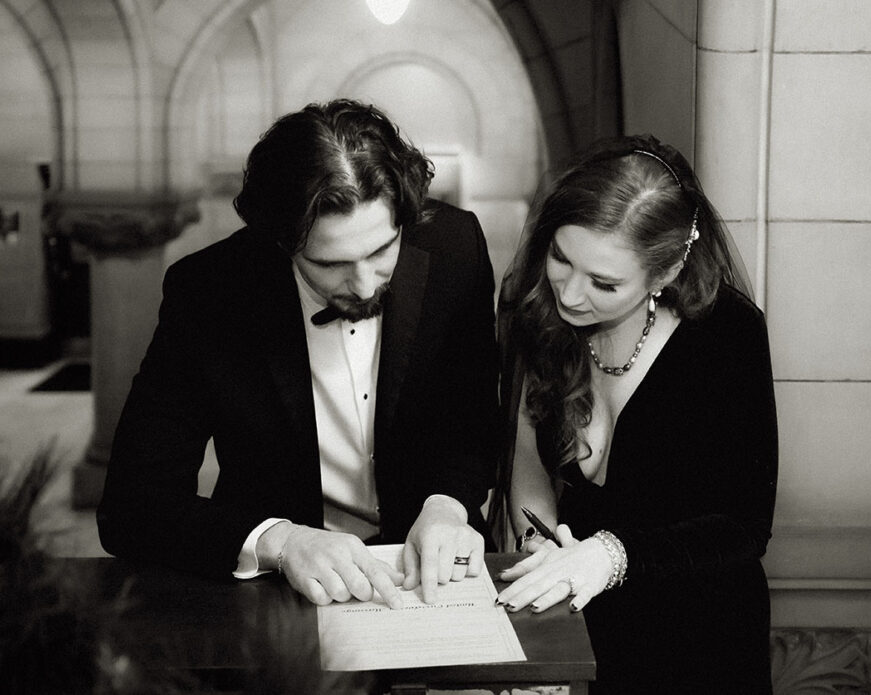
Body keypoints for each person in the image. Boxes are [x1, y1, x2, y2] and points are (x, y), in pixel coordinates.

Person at [97, 99, 499, 609]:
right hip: (280, 589)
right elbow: (132, 505)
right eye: (332, 263)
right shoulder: (209, 293)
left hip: (430, 570)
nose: (364, 283)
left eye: (380, 251)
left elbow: (473, 421)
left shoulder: (454, 247)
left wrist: (448, 504)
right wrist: (280, 542)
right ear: (281, 242)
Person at [491, 134, 778, 693]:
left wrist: (607, 553)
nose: (570, 294)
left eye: (603, 283)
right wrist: (538, 544)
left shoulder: (727, 336)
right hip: (582, 622)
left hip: (700, 636)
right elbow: (527, 458)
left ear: (666, 271)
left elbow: (745, 526)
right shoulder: (540, 312)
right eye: (561, 259)